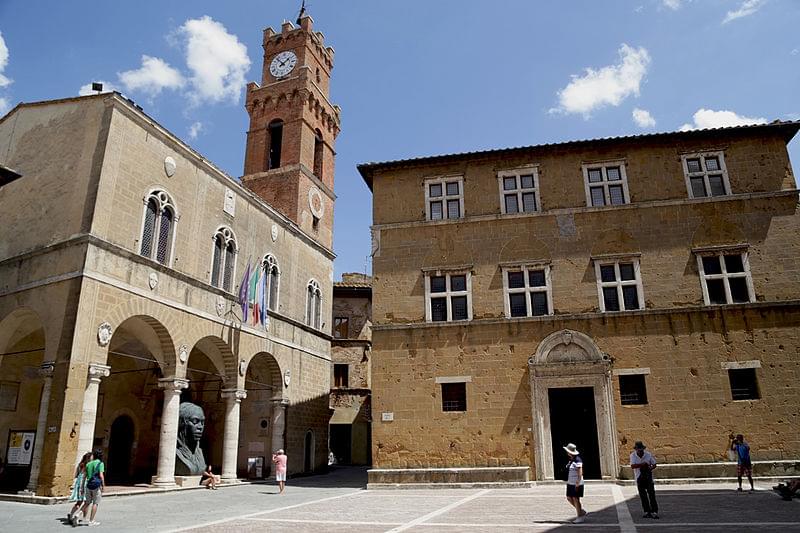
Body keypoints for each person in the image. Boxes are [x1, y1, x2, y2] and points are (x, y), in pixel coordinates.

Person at [630, 441, 659, 519]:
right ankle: (647, 511)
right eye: (639, 450)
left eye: (641, 450)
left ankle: (654, 511)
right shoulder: (633, 455)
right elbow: (632, 466)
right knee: (643, 496)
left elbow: (654, 464)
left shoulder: (648, 455)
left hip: (648, 477)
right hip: (639, 478)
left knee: (651, 495)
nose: (640, 451)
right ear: (636, 450)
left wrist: (649, 468)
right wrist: (642, 465)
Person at [79, 449, 105, 526]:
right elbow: (101, 475)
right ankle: (91, 521)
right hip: (96, 486)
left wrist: (82, 487)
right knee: (95, 503)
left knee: (87, 502)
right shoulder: (100, 463)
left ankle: (77, 515)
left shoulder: (88, 464)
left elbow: (84, 477)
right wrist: (103, 485)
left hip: (88, 485)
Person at [563, 443, 587, 524]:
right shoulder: (571, 460)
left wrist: (578, 482)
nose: (567, 452)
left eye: (567, 451)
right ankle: (580, 511)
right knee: (569, 498)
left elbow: (580, 472)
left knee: (576, 499)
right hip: (570, 483)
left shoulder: (578, 460)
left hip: (576, 483)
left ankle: (580, 516)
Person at [67, 452, 92, 526]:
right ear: (88, 458)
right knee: (86, 502)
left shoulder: (80, 464)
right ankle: (84, 517)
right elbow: (87, 476)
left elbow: (76, 475)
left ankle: (71, 515)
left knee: (79, 502)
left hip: (78, 483)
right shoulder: (88, 465)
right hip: (84, 483)